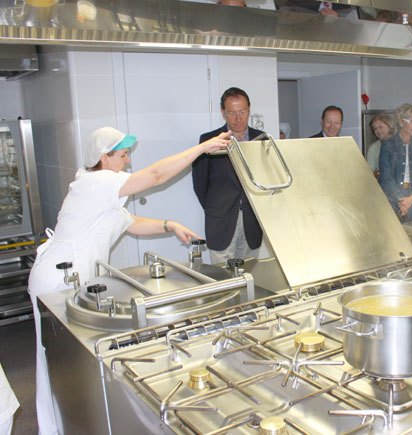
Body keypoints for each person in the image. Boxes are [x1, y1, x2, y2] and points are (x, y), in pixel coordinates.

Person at [28, 126, 230, 434]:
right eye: (122, 156)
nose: (127, 163)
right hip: (58, 277)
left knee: (71, 356)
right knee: (61, 356)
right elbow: (156, 176)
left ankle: (72, 422)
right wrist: (201, 149)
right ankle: (59, 425)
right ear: (103, 158)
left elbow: (131, 224)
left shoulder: (99, 189)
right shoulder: (96, 182)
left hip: (70, 276)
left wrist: (169, 224)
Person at [192, 87, 265, 264]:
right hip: (220, 221)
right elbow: (200, 184)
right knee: (223, 278)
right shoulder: (208, 141)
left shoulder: (262, 139)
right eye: (232, 113)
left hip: (252, 221)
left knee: (250, 275)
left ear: (249, 109)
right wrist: (216, 209)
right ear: (223, 112)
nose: (238, 118)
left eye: (242, 112)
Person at [379, 103, 412, 222]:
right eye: (411, 120)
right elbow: (386, 177)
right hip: (392, 199)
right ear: (401, 122)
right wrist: (401, 200)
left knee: (410, 236)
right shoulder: (387, 144)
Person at [366, 113, 396, 178]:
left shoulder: (402, 143)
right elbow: (369, 173)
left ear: (389, 126)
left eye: (380, 127)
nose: (378, 131)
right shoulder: (373, 148)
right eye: (375, 129)